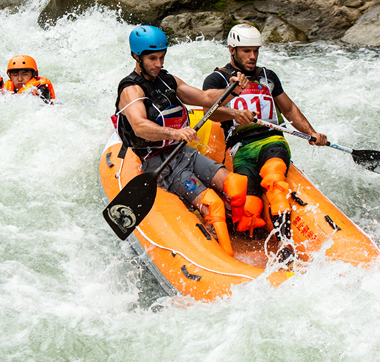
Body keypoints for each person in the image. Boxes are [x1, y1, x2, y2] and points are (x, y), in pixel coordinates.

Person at [115, 25, 251, 257]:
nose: (158, 63)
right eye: (152, 58)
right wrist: (174, 133)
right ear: (137, 56)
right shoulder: (131, 90)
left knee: (236, 185)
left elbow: (206, 98)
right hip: (159, 163)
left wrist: (232, 90)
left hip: (182, 153)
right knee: (213, 204)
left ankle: (243, 232)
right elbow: (139, 126)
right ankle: (226, 257)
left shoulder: (167, 80)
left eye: (162, 57)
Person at [202, 24, 327, 260]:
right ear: (232, 50)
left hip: (271, 141)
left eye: (255, 51)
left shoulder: (268, 76)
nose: (252, 56)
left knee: (274, 179)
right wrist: (234, 114)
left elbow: (289, 109)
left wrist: (311, 133)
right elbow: (209, 112)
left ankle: (286, 243)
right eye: (246, 51)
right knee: (248, 209)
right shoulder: (217, 78)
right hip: (241, 149)